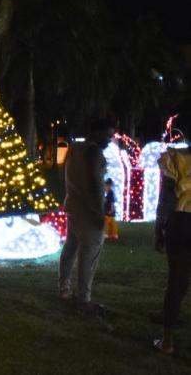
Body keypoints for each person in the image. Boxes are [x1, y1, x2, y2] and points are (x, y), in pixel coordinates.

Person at [58, 119, 115, 313]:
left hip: (73, 206)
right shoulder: (94, 153)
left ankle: (64, 289)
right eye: (107, 135)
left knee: (71, 248)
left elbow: (64, 175)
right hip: (89, 212)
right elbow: (96, 185)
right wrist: (99, 213)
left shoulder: (74, 148)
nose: (110, 140)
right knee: (88, 257)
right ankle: (84, 299)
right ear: (95, 132)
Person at [153, 114, 191, 355]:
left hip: (181, 222)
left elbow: (166, 197)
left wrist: (160, 227)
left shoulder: (175, 159)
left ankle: (167, 342)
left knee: (176, 283)